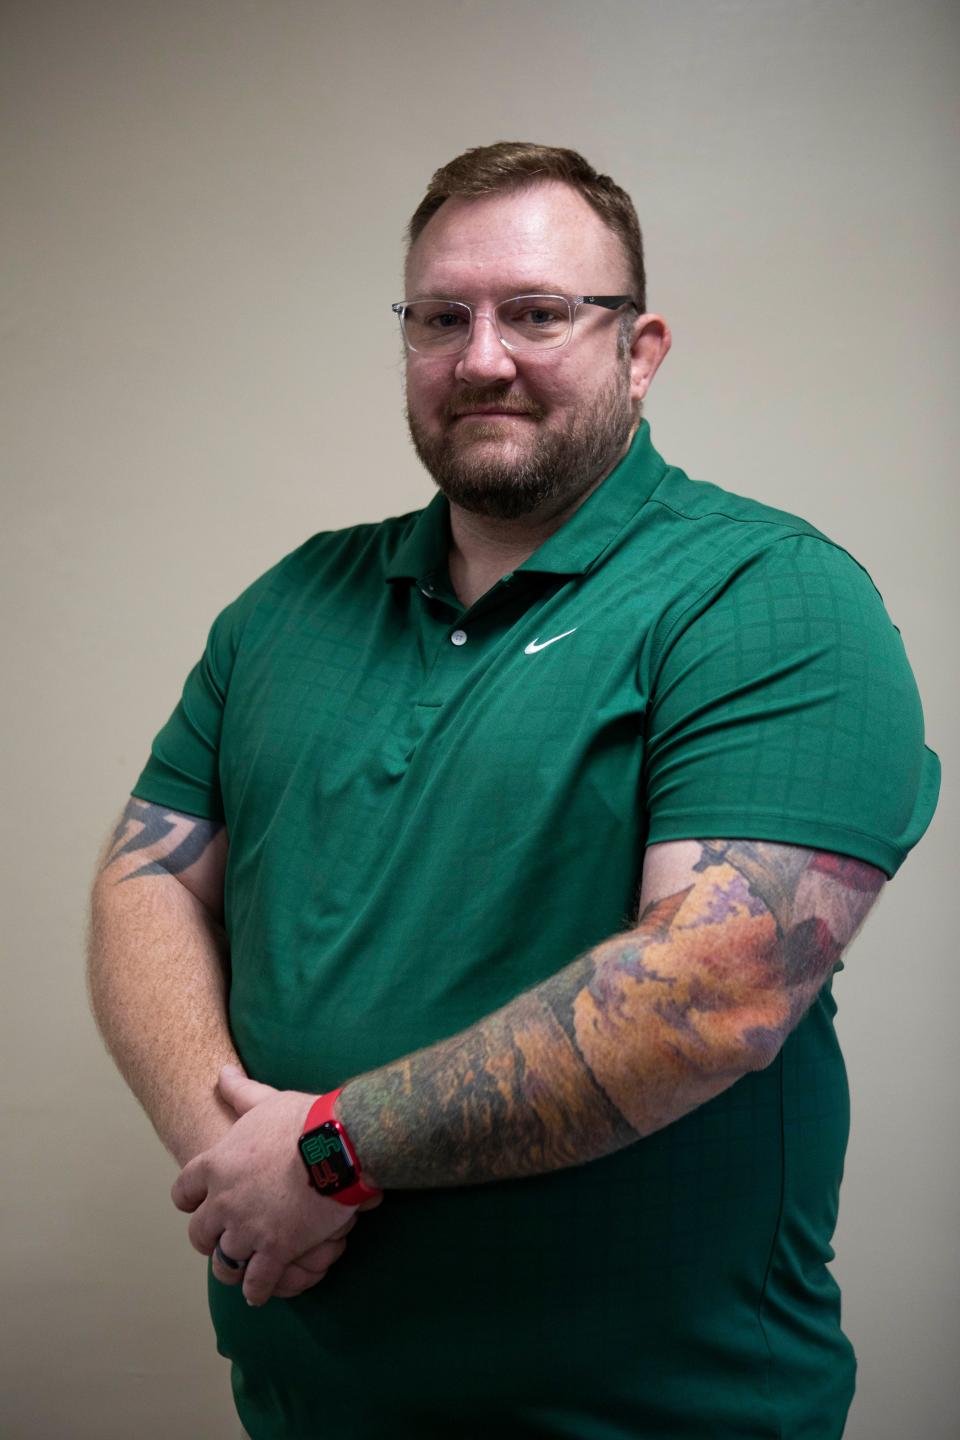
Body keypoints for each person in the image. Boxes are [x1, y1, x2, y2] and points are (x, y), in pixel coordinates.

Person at [88, 142, 940, 1440]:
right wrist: (237, 1154)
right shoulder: (288, 607)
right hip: (308, 1405)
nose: (482, 356)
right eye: (442, 318)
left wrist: (328, 1155)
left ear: (639, 349)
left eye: (539, 313)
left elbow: (713, 994)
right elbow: (144, 876)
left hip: (657, 1414)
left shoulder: (767, 594)